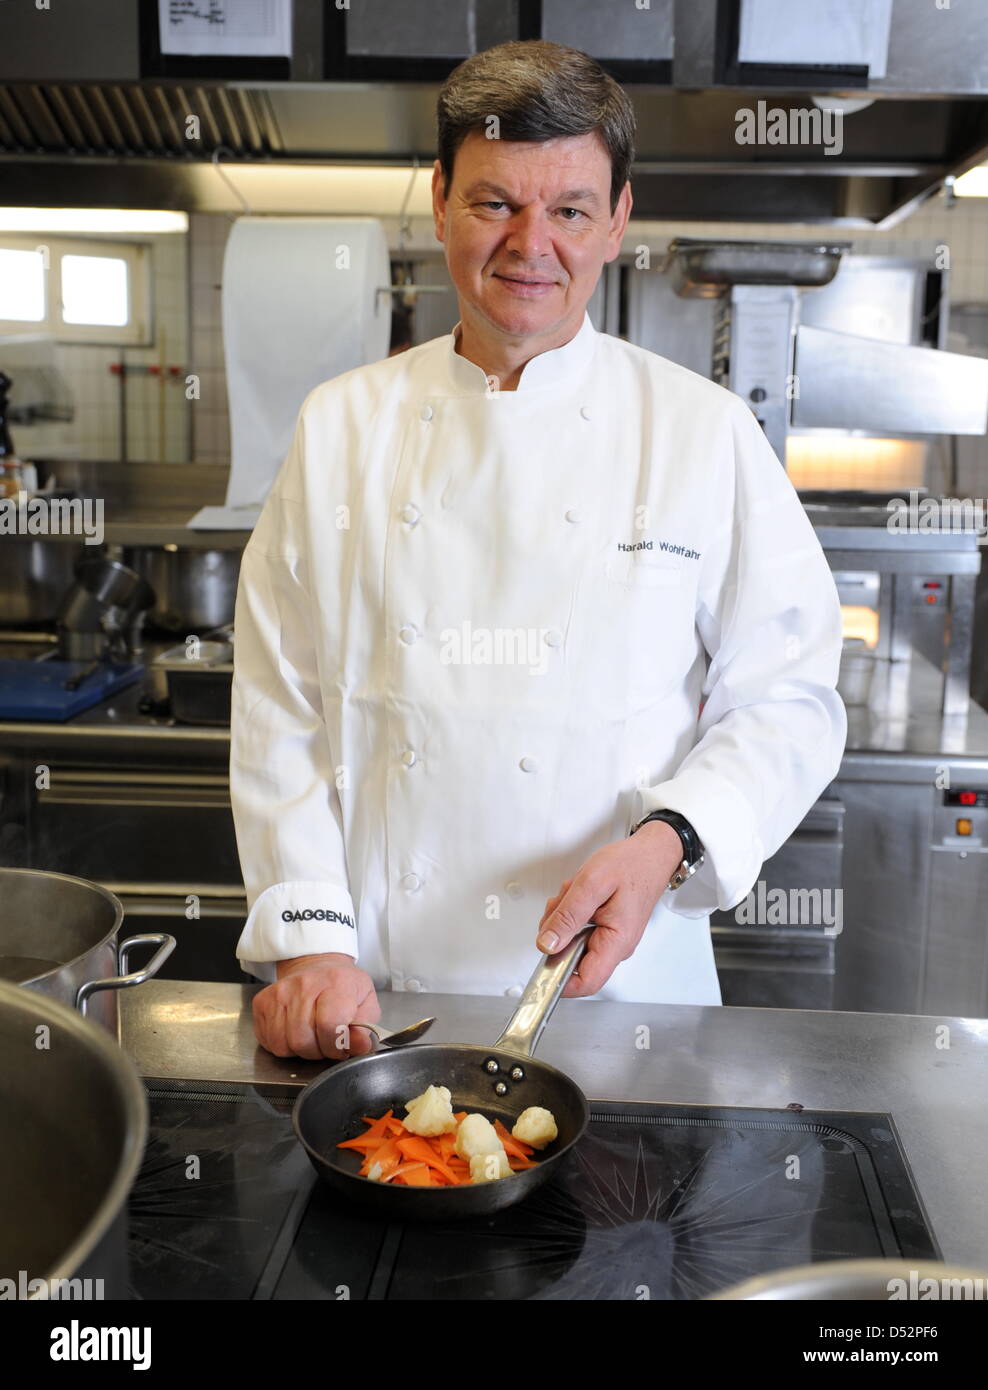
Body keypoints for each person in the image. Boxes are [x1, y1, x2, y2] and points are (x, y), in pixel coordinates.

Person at [229, 40, 847, 1061]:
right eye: (493, 203)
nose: (530, 244)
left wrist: (671, 843)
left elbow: (788, 696)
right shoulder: (340, 426)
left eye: (567, 209)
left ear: (615, 222)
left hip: (626, 993)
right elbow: (280, 700)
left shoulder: (700, 432)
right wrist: (307, 941)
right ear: (438, 203)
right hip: (386, 1003)